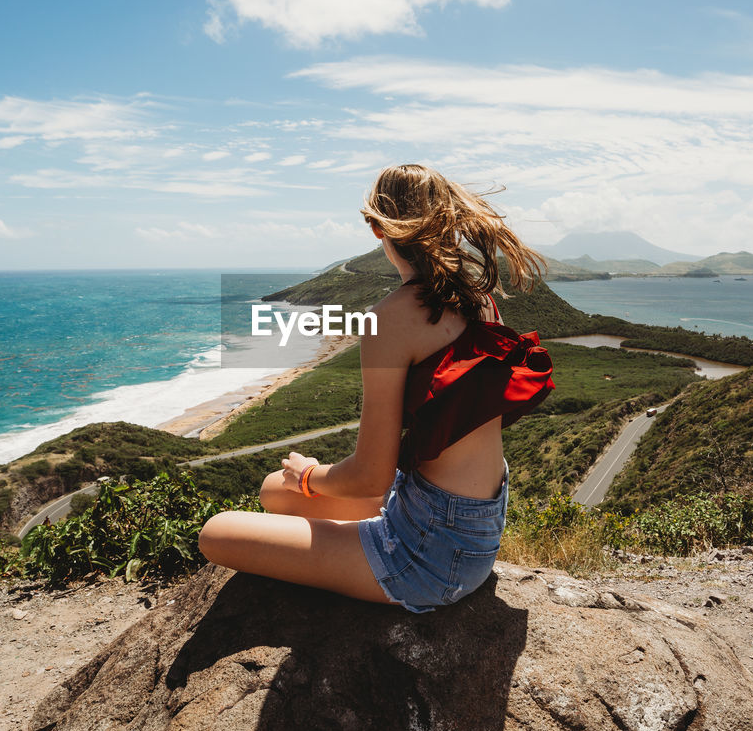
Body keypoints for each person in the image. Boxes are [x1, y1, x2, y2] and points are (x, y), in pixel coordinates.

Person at [198, 164, 554, 612]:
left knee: (215, 532)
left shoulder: (388, 318)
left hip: (429, 556)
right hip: (472, 522)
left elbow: (370, 476)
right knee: (274, 490)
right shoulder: (479, 299)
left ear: (376, 228)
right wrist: (304, 482)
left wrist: (308, 473)